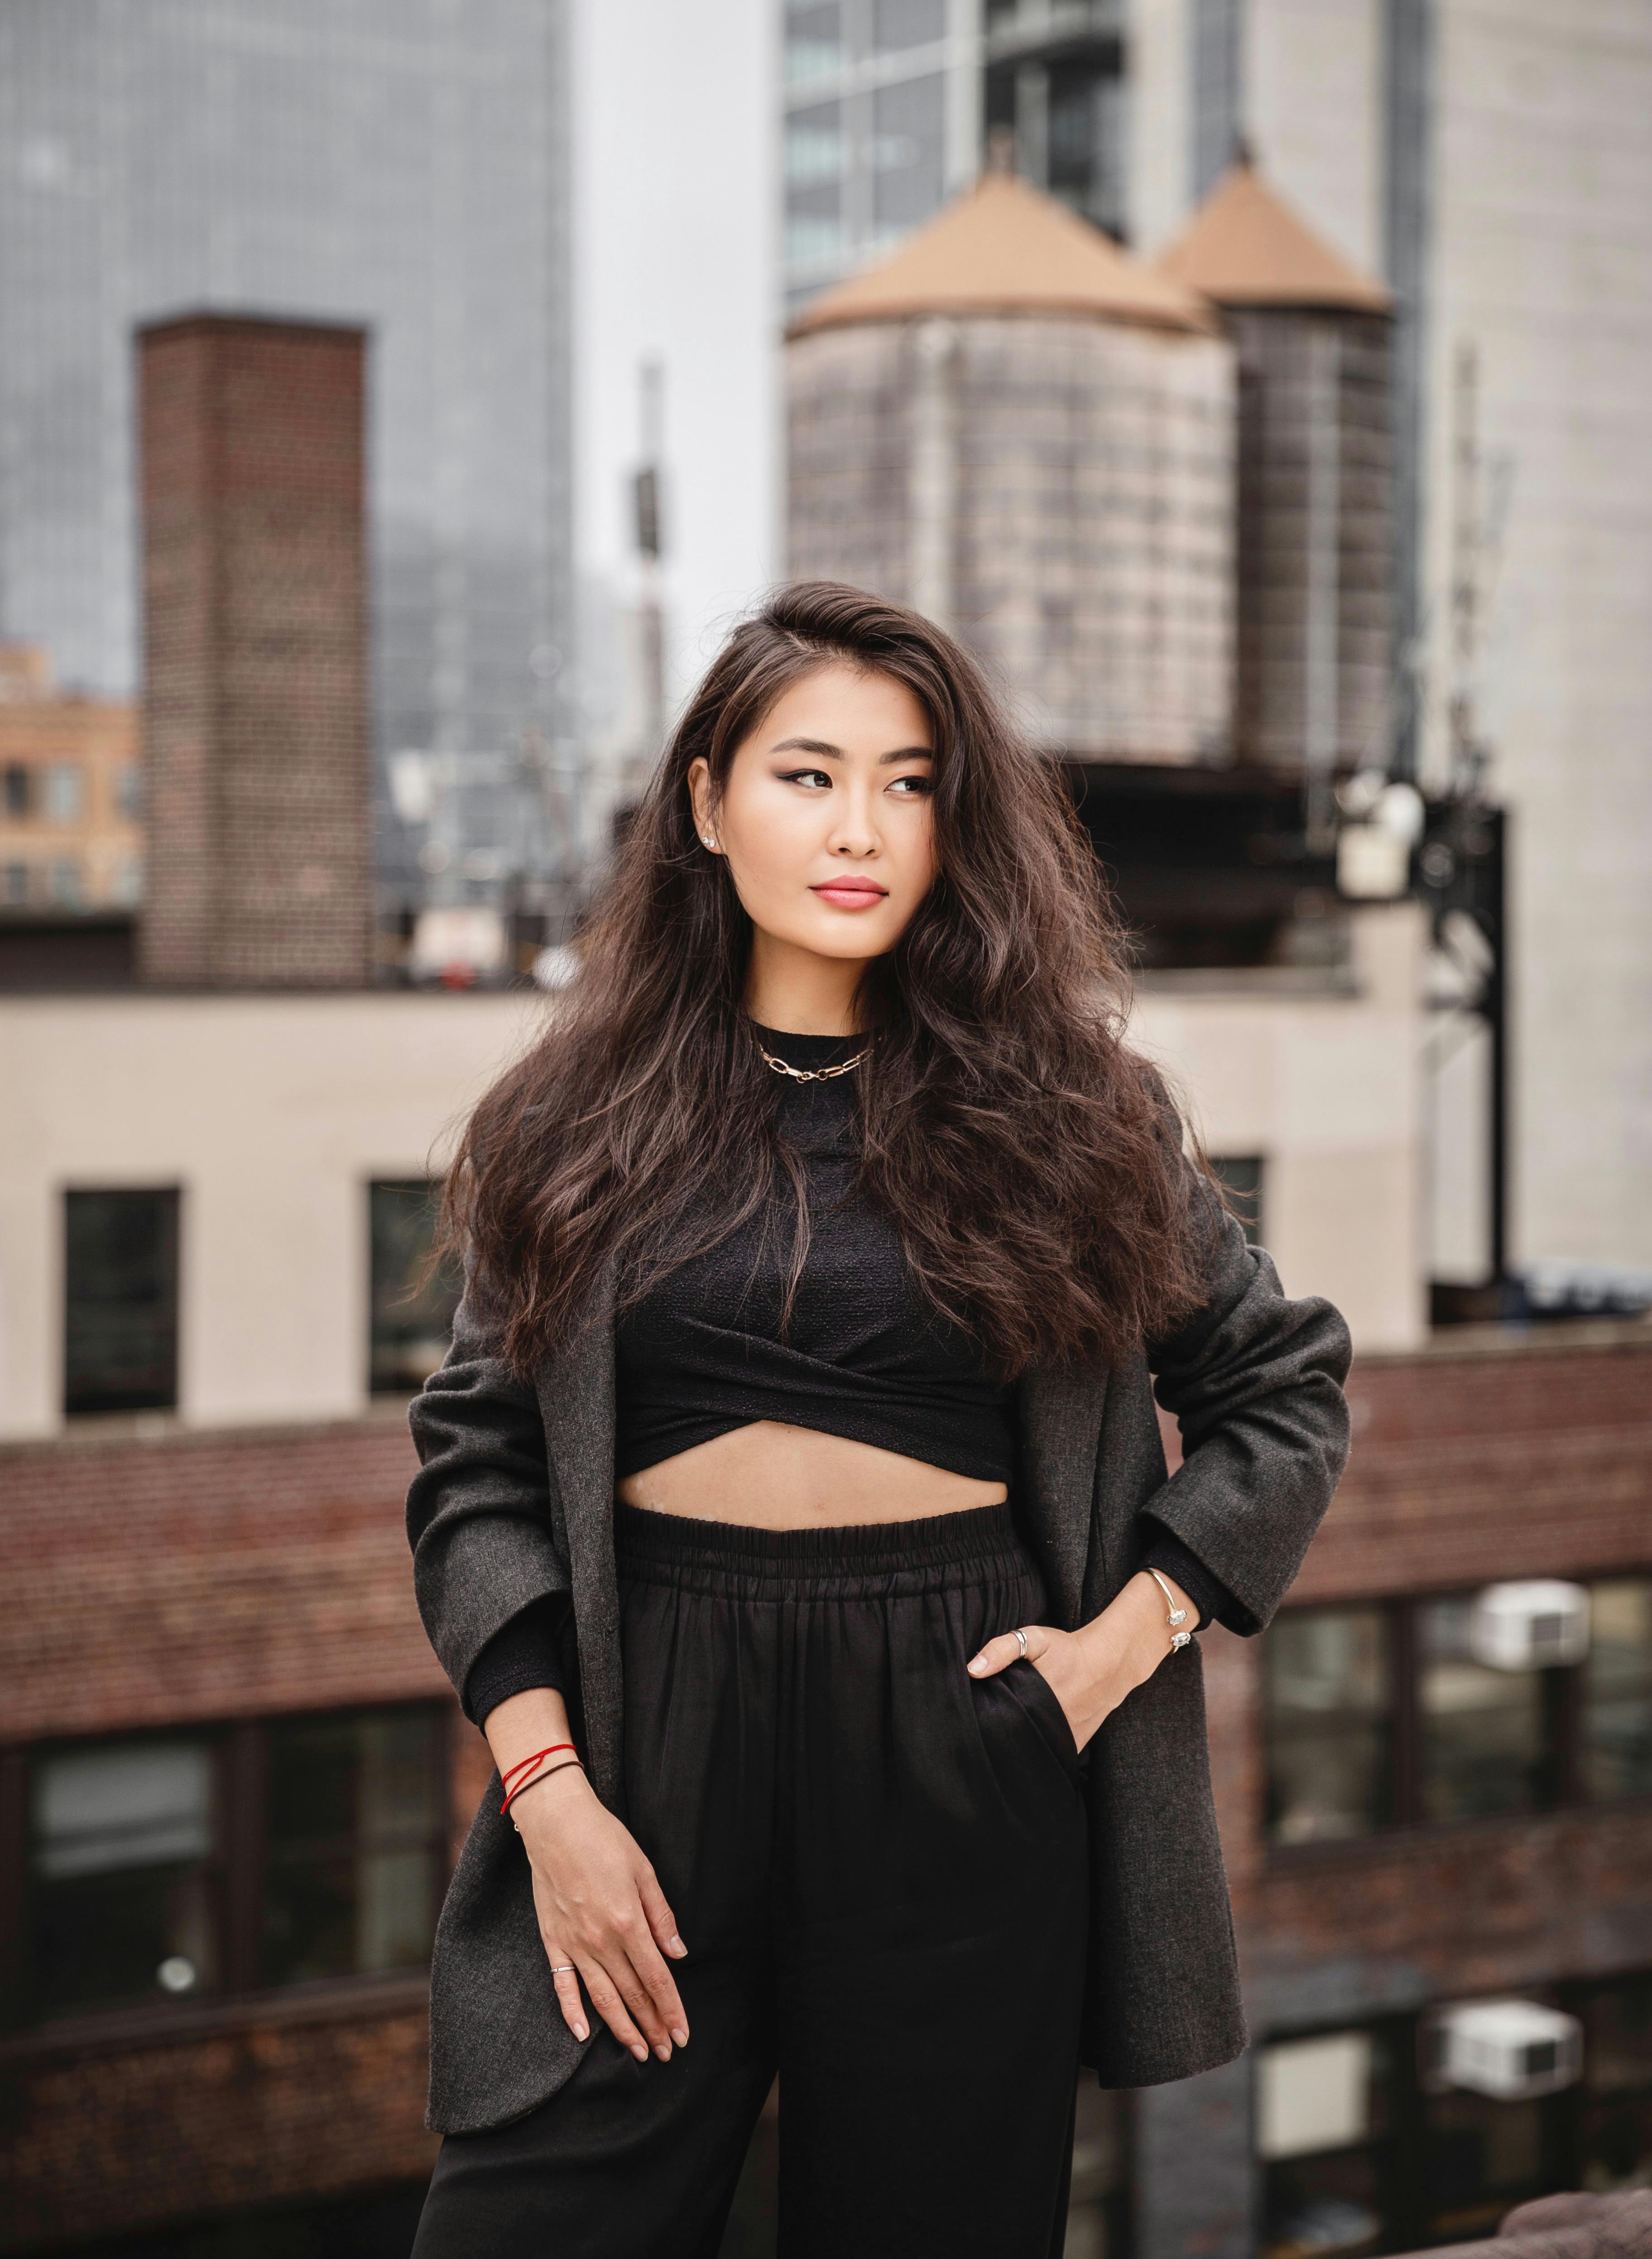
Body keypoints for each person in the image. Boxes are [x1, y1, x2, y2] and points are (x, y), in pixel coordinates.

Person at [406, 581, 1352, 2258]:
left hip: (962, 1731)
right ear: (705, 801)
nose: (865, 829)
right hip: (643, 1735)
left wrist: (1120, 1644)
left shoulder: (1079, 1117)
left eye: (911, 784)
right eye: (809, 775)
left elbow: (1283, 1387)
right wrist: (548, 1791)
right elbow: (476, 1470)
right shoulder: (565, 1117)